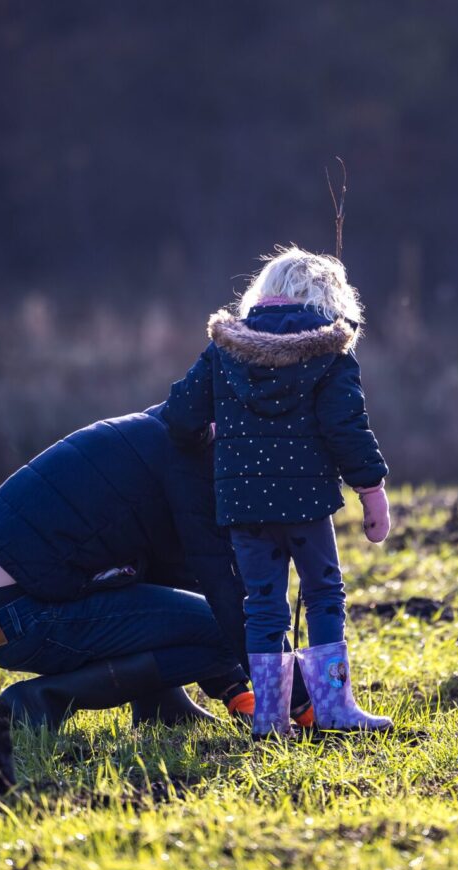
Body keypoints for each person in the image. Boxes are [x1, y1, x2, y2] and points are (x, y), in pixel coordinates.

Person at [164, 246, 393, 737]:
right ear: (330, 297)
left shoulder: (225, 348)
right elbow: (346, 427)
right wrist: (371, 490)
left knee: (262, 605)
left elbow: (179, 415)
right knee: (324, 594)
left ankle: (270, 719)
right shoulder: (331, 351)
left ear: (263, 292)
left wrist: (211, 434)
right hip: (306, 505)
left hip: (243, 508)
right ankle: (333, 707)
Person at [0, 405, 261, 731]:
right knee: (229, 631)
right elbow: (222, 597)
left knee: (156, 593)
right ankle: (41, 700)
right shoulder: (189, 467)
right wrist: (266, 694)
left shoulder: (158, 431)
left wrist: (234, 689)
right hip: (15, 614)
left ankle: (162, 705)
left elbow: (171, 580)